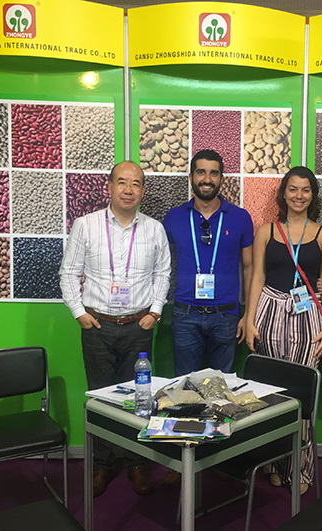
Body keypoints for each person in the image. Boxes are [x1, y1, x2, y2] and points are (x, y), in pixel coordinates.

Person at [59, 161, 171, 497]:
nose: (128, 189)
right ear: (109, 186)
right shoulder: (86, 225)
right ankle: (102, 465)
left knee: (140, 397)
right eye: (122, 182)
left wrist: (155, 311)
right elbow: (68, 272)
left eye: (135, 184)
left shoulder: (154, 229)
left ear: (143, 190)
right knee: (100, 397)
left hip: (139, 327)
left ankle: (137, 463)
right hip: (98, 326)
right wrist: (79, 312)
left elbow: (162, 274)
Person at [245, 166, 322, 495]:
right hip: (269, 309)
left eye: (306, 190)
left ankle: (300, 467)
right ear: (283, 193)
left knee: (301, 391)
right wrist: (249, 319)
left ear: (313, 195)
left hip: (307, 314)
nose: (299, 196)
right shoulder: (266, 231)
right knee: (270, 391)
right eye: (293, 189)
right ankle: (273, 463)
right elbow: (257, 277)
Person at [163, 149, 254, 376]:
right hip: (185, 314)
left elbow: (249, 268)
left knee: (220, 388)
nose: (207, 179)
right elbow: (161, 266)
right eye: (201, 172)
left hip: (226, 316)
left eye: (214, 173)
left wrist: (248, 315)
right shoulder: (174, 217)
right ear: (191, 176)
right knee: (184, 385)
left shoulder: (240, 217)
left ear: (221, 178)